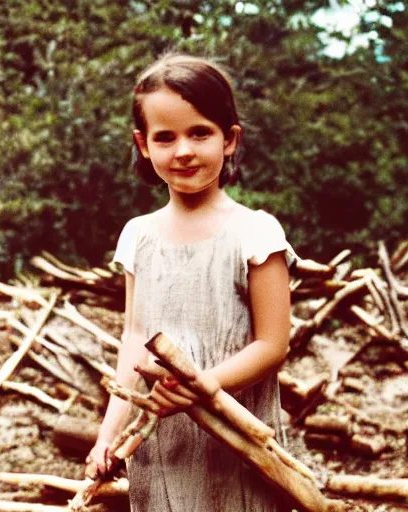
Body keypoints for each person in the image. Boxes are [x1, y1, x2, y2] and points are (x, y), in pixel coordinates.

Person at [85, 53, 294, 511]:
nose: (183, 150)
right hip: (163, 445)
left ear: (230, 139)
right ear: (144, 145)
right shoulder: (138, 235)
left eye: (200, 132)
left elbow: (273, 344)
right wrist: (109, 434)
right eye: (166, 137)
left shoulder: (256, 233)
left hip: (238, 442)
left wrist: (201, 386)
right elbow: (136, 339)